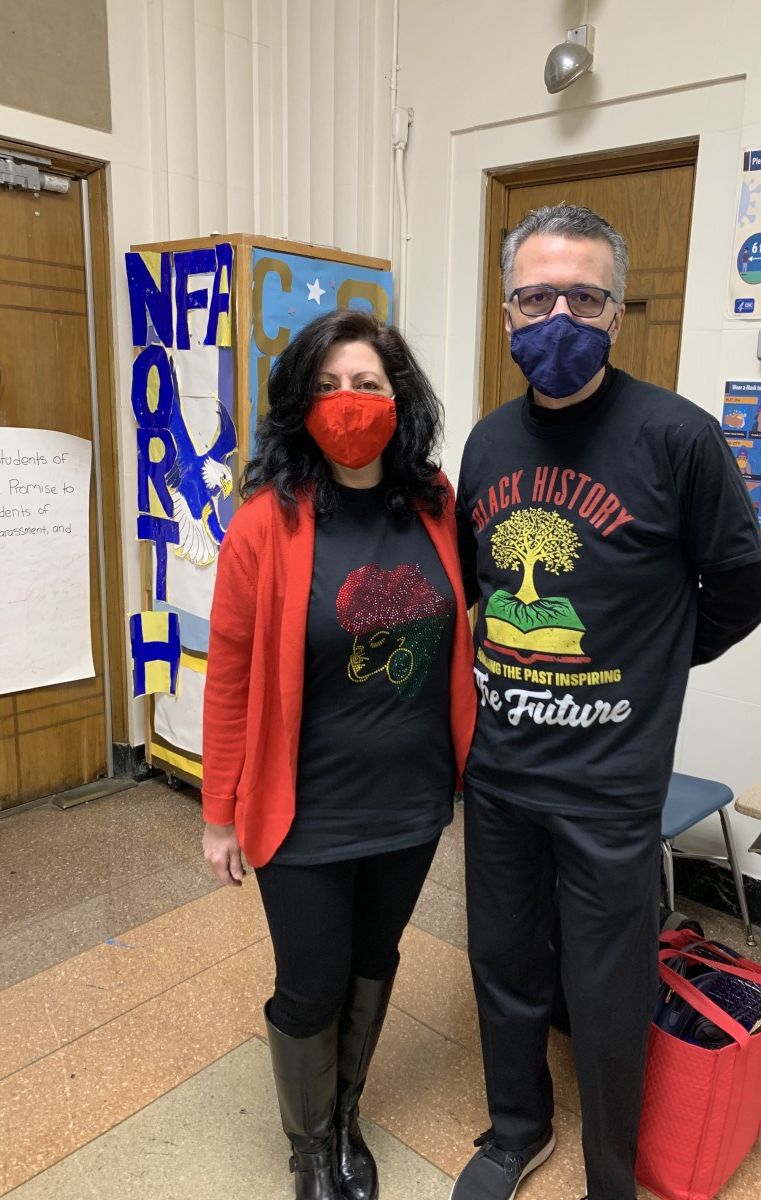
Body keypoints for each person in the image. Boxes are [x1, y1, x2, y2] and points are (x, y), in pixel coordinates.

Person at [451, 204, 761, 1200]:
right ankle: (516, 1130)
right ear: (507, 311)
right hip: (501, 774)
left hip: (610, 787)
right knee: (504, 962)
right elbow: (477, 587)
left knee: (605, 989)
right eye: (537, 296)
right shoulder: (488, 442)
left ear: (617, 311)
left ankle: (611, 1174)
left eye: (583, 296)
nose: (560, 315)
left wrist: (653, 665)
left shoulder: (677, 437)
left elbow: (743, 590)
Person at [201, 309, 475, 1200]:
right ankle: (310, 1148)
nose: (347, 402)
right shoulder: (264, 523)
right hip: (306, 806)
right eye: (326, 385)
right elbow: (231, 676)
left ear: (400, 400)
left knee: (375, 960)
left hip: (412, 795)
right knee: (310, 983)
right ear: (298, 402)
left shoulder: (434, 502)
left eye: (367, 384)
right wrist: (219, 811)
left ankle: (345, 1115)